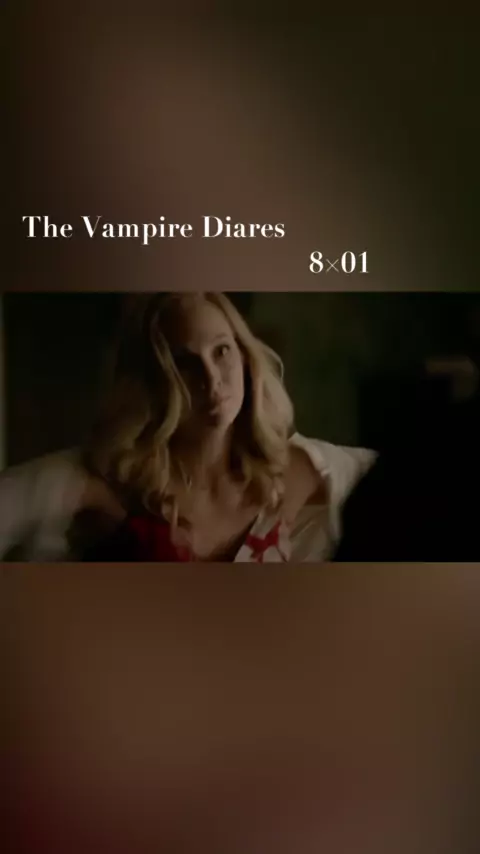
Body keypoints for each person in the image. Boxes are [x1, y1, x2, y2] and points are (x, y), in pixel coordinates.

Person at [0, 293, 375, 562]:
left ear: (245, 358)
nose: (212, 380)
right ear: (152, 383)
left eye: (221, 351)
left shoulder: (296, 469)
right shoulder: (113, 483)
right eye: (185, 363)